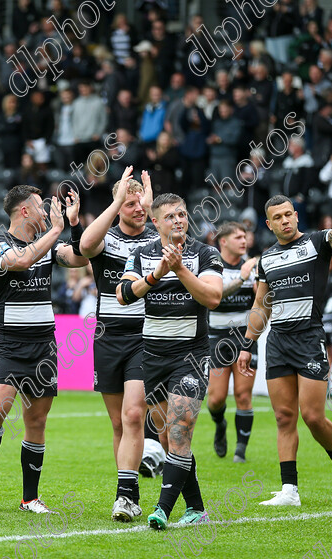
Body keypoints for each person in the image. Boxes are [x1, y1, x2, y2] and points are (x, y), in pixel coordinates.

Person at [238, 161, 332, 507]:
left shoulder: (318, 243)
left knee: (312, 416)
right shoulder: (266, 260)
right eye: (278, 217)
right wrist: (247, 345)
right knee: (283, 416)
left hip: (308, 339)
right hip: (277, 341)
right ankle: (289, 490)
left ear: (295, 214)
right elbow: (261, 306)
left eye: (290, 214)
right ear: (269, 223)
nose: (286, 220)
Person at [0, 185, 88, 514]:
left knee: (36, 421)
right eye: (40, 206)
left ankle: (29, 497)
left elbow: (80, 256)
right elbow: (21, 261)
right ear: (24, 211)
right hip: (6, 344)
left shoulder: (50, 243)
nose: (47, 211)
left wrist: (73, 226)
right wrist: (57, 230)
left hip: (43, 346)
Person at [117, 192, 223, 531]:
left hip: (190, 357)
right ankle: (196, 508)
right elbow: (123, 295)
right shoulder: (141, 255)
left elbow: (213, 297)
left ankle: (161, 509)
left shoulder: (205, 253)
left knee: (179, 431)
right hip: (153, 356)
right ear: (155, 222)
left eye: (182, 214)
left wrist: (179, 270)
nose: (179, 220)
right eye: (171, 216)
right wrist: (157, 274)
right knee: (167, 437)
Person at [79, 166, 156, 522]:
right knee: (118, 423)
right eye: (130, 205)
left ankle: (123, 495)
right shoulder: (106, 239)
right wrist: (116, 202)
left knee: (133, 414)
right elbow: (84, 245)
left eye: (141, 203)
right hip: (108, 336)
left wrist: (150, 210)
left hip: (145, 334)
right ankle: (131, 491)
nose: (137, 209)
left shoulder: (155, 240)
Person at [207, 222, 259, 463]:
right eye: (237, 237)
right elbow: (213, 299)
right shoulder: (212, 267)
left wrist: (259, 285)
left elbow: (262, 302)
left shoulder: (253, 268)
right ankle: (220, 424)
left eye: (245, 237)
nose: (244, 240)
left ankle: (241, 449)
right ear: (223, 241)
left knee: (242, 395)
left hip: (245, 338)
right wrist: (241, 278)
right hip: (217, 339)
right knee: (216, 399)